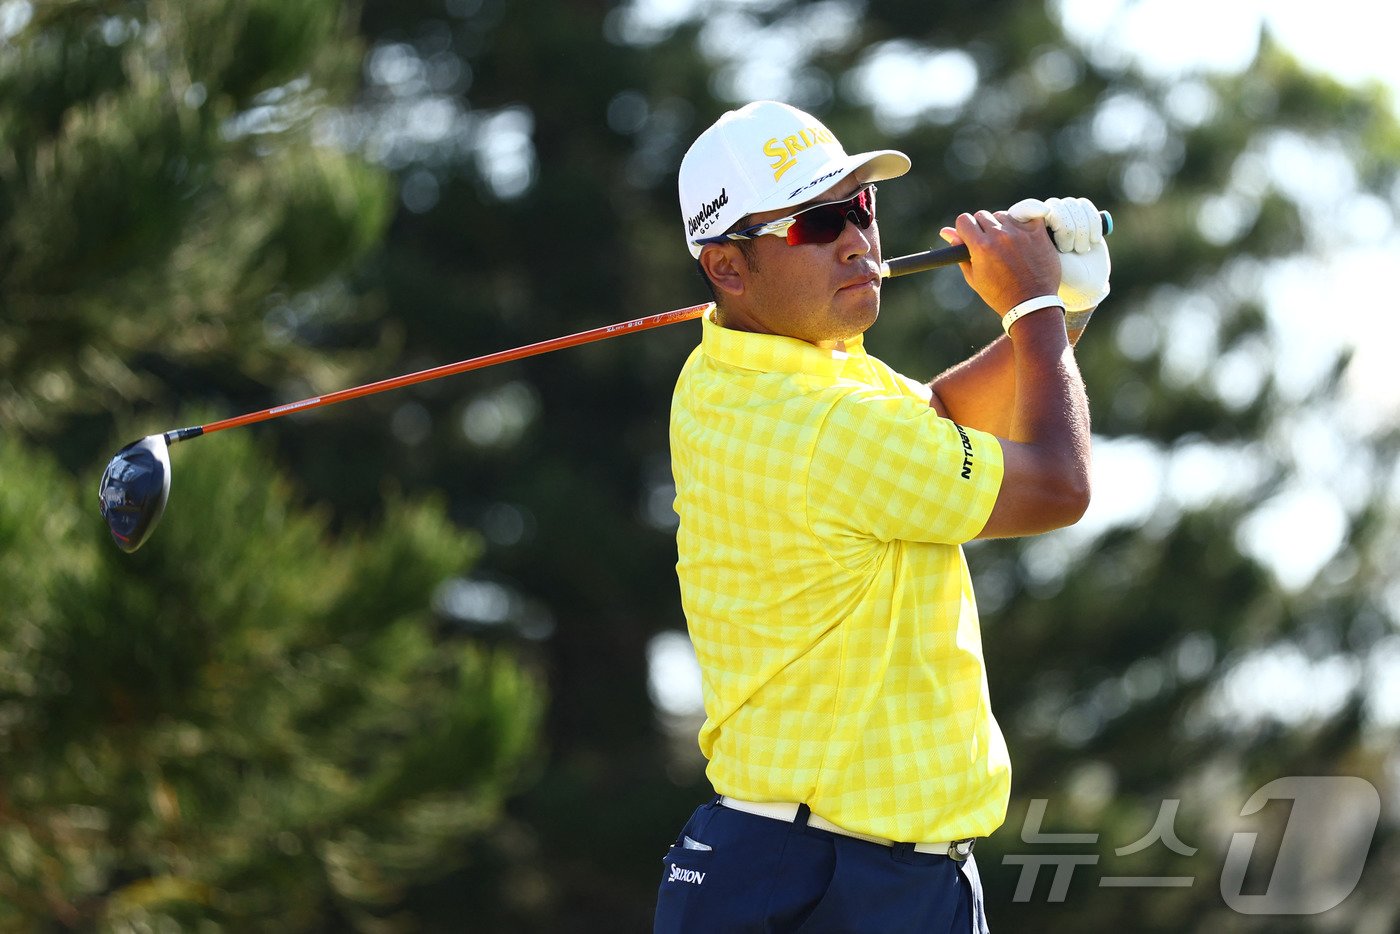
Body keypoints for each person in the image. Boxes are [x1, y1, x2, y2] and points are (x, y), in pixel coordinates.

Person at [654, 100, 1111, 933]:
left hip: (785, 866)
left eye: (860, 207)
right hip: (843, 886)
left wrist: (1061, 312)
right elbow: (1060, 488)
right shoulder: (825, 423)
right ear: (726, 267)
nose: (856, 240)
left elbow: (935, 418)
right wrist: (1032, 312)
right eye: (816, 222)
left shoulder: (732, 374)